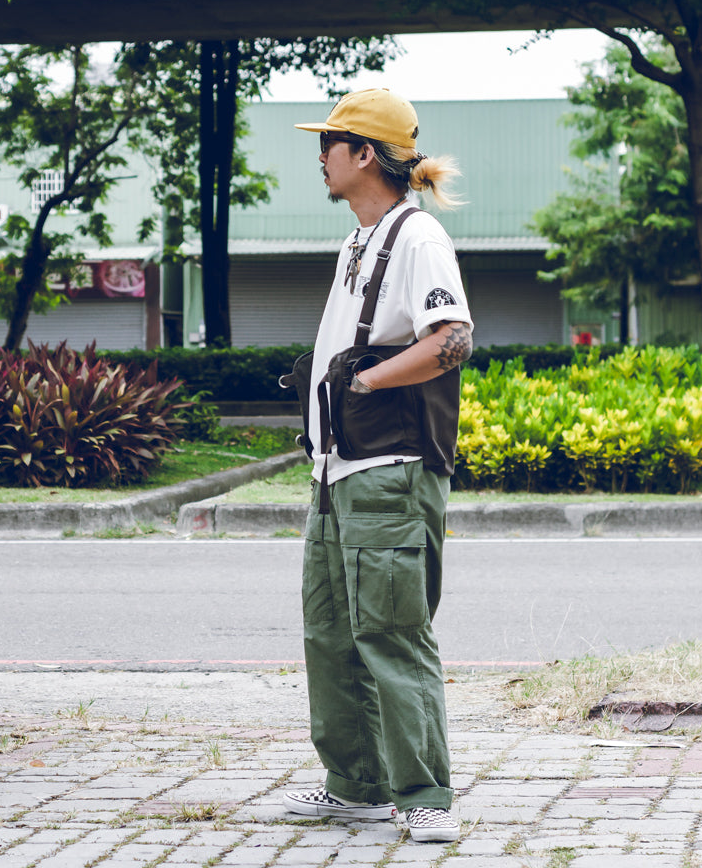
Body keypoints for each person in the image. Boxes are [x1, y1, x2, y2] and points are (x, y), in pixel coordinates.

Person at [282, 88, 472, 844]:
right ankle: (354, 785)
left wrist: (362, 382)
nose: (318, 155)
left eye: (328, 141)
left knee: (393, 632)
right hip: (341, 470)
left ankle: (424, 795)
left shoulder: (418, 238)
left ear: (364, 153)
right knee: (330, 634)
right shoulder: (362, 240)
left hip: (390, 467)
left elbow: (451, 337)